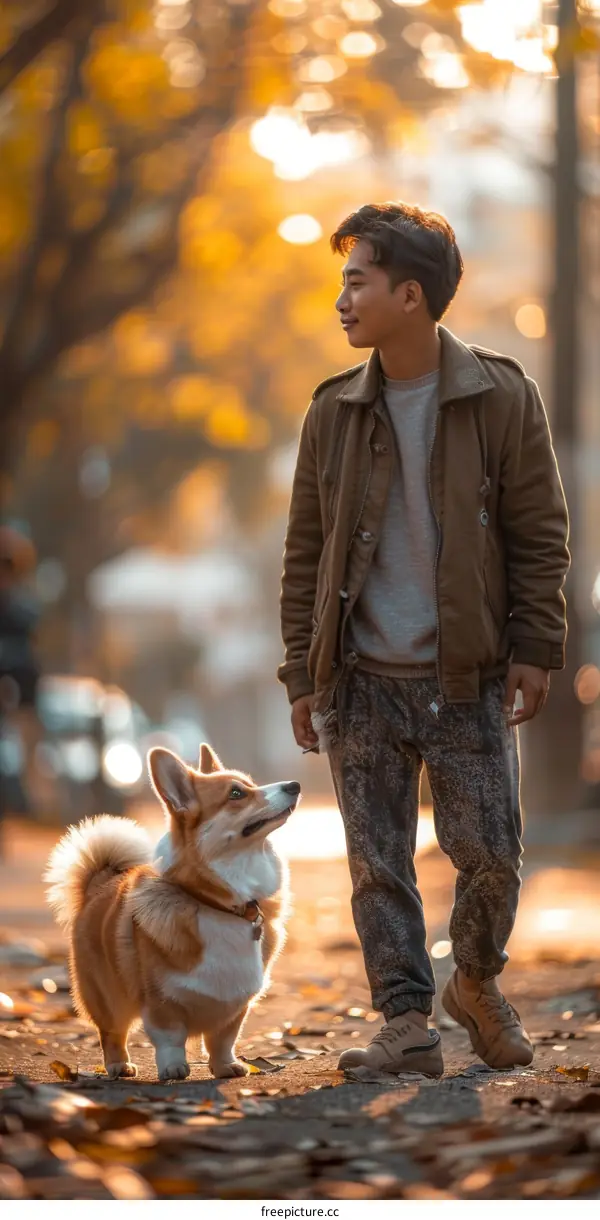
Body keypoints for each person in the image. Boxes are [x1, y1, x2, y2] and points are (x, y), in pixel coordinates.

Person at [277, 202, 569, 1077]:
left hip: (467, 673)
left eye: (356, 280)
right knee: (378, 868)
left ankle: (475, 983)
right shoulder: (332, 412)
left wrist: (536, 644)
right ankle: (405, 1023)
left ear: (411, 295)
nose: (342, 298)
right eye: (342, 281)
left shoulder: (502, 395)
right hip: (360, 678)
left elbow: (539, 531)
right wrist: (303, 671)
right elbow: (304, 552)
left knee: (491, 857)